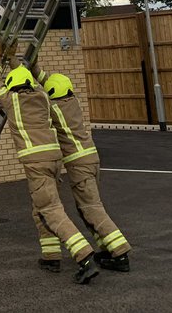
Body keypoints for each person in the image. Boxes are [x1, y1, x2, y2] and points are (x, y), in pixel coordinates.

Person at [0, 43, 99, 284]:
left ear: (12, 87)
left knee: (50, 209)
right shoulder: (41, 95)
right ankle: (51, 256)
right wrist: (14, 59)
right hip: (54, 159)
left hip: (35, 162)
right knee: (40, 210)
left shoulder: (11, 101)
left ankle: (84, 257)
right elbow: (33, 79)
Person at [42, 72, 132, 272]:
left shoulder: (53, 108)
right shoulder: (73, 102)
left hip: (79, 164)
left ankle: (120, 254)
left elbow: (36, 97)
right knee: (88, 207)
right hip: (92, 159)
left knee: (92, 208)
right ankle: (108, 248)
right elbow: (45, 81)